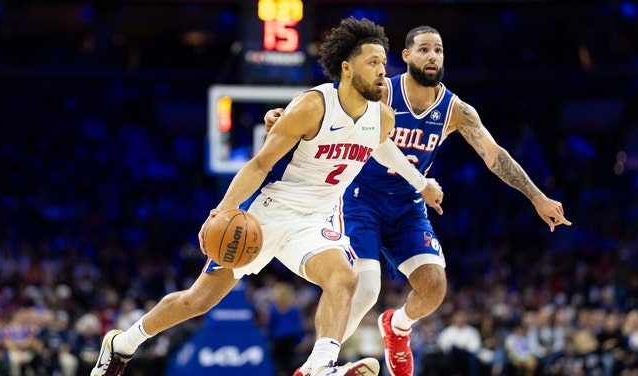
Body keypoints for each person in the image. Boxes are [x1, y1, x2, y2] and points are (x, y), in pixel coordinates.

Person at [90, 17, 444, 376]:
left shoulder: (382, 118)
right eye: (373, 63)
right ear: (347, 67)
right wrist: (222, 211)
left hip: (317, 218)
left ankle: (321, 366)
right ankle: (122, 344)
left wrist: (420, 183)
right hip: (269, 213)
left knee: (344, 278)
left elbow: (383, 149)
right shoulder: (312, 106)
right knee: (198, 300)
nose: (383, 72)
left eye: (384, 63)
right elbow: (259, 165)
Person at [267, 25, 572, 376]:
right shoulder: (382, 92)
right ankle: (316, 367)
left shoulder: (457, 111)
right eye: (424, 49)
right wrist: (283, 114)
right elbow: (332, 103)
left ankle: (397, 327)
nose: (433, 56)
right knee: (365, 289)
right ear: (407, 55)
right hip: (358, 199)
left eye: (439, 51)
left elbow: (494, 154)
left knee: (433, 287)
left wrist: (537, 197)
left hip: (408, 205)